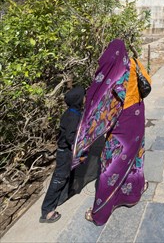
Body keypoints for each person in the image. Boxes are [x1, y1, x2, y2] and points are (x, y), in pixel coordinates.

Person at [71, 39, 151, 226]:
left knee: (111, 166)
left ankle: (100, 213)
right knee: (134, 156)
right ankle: (133, 194)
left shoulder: (115, 73)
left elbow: (103, 105)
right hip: (137, 117)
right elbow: (148, 81)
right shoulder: (133, 63)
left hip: (122, 125)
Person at [40, 86, 85, 223]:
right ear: (78, 99)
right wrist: (80, 150)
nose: (85, 98)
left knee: (66, 175)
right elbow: (70, 137)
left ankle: (63, 196)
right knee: (58, 179)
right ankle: (46, 211)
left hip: (66, 151)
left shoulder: (73, 111)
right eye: (83, 96)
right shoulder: (73, 116)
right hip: (65, 152)